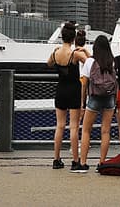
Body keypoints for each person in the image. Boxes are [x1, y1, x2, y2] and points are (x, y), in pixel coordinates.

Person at [47, 22, 87, 170]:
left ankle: (56, 159)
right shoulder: (75, 54)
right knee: (74, 127)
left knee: (60, 126)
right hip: (74, 90)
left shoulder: (56, 53)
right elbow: (90, 63)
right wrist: (85, 51)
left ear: (62, 37)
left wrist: (55, 53)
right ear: (73, 38)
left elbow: (49, 63)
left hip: (61, 90)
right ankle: (75, 161)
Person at [78, 34, 117, 170]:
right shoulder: (112, 61)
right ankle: (102, 163)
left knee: (86, 131)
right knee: (105, 131)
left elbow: (84, 84)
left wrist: (83, 104)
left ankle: (83, 163)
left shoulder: (89, 62)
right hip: (109, 98)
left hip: (94, 98)